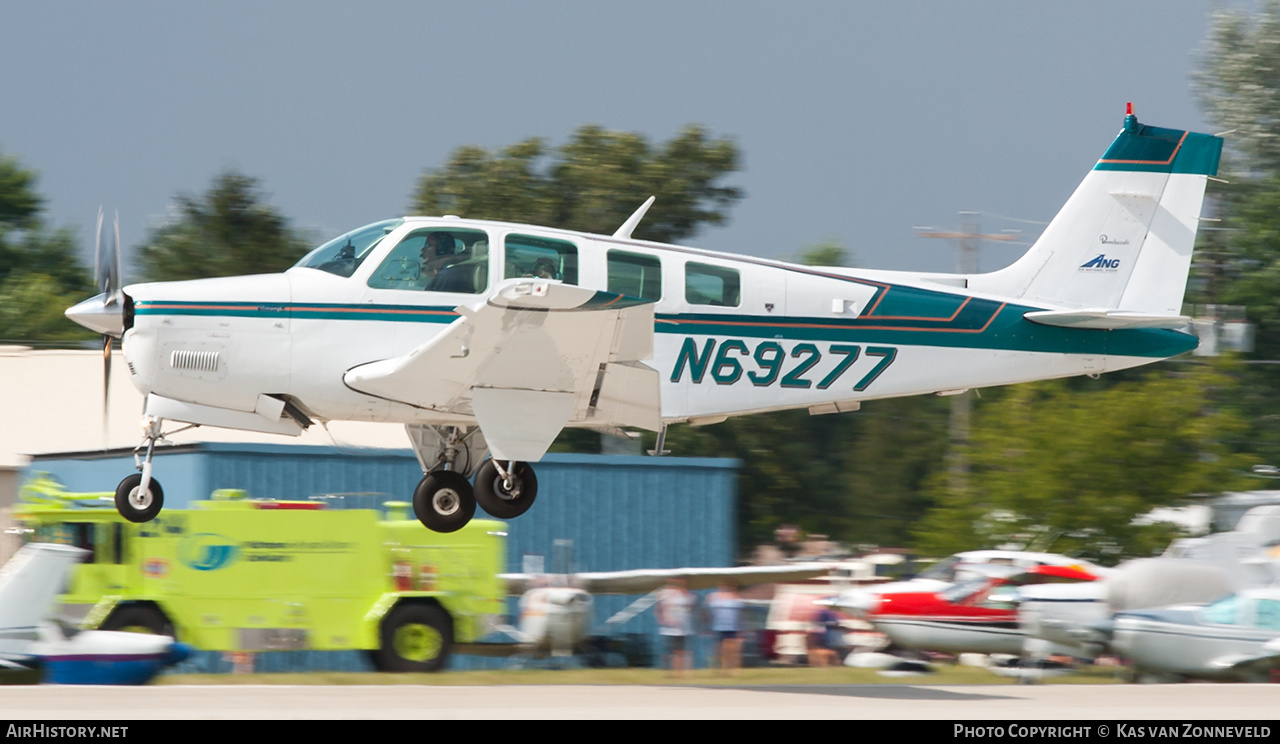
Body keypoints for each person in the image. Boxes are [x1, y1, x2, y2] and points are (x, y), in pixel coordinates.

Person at [655, 577, 696, 677]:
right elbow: (658, 609)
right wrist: (662, 619)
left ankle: (679, 671)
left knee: (680, 650)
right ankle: (666, 669)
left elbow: (692, 609)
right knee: (669, 650)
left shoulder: (688, 595)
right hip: (669, 627)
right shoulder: (664, 594)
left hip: (684, 628)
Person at [705, 580, 745, 675]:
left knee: (731, 650)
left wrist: (742, 628)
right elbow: (707, 612)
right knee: (719, 650)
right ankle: (716, 668)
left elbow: (740, 614)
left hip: (732, 627)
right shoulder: (714, 597)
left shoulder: (736, 597)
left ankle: (729, 669)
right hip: (718, 626)